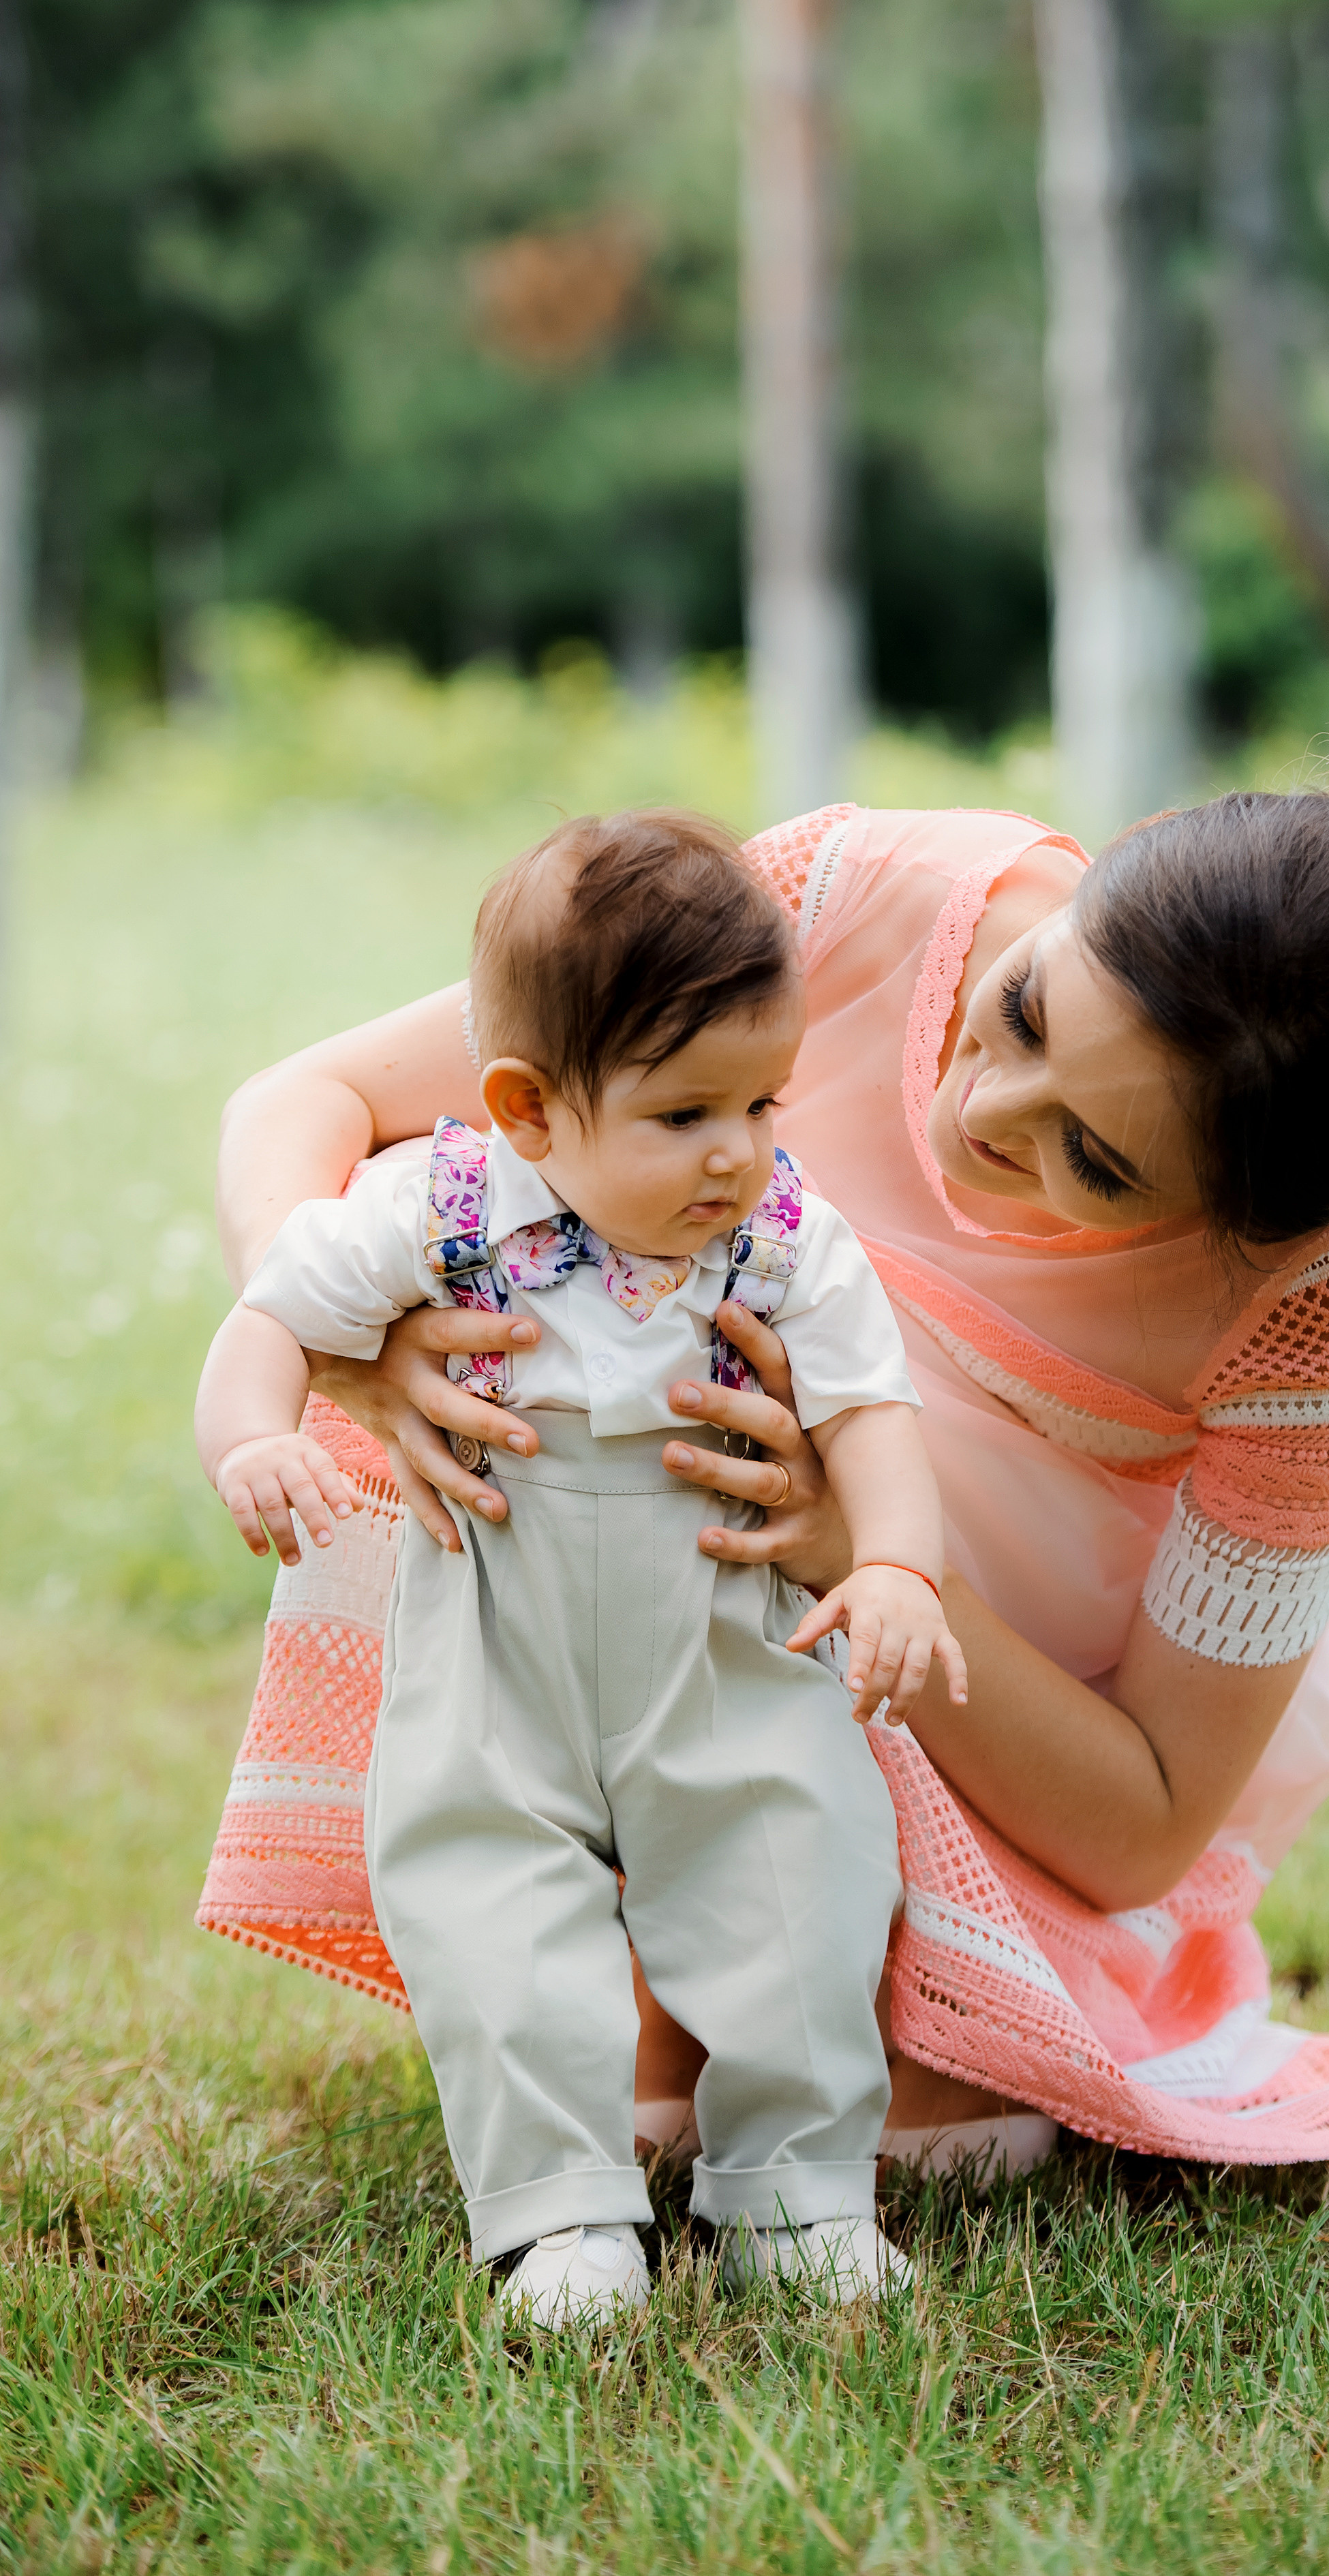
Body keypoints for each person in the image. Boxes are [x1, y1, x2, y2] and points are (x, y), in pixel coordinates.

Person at [201, 765, 1329, 2175]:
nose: (989, 1107)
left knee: (919, 2118)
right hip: (618, 1564)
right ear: (1122, 859)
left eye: (1089, 1160)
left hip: (967, 1655)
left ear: (1255, 1217)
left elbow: (1147, 1818)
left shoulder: (1322, 1292)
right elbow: (315, 1096)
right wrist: (375, 1351)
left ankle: (871, 1951)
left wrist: (861, 1548)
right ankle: (616, 1895)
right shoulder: (857, 899)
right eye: (1029, 1008)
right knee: (449, 1218)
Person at [196, 809, 969, 2326]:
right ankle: (558, 2214)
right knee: (488, 1894)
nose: (737, 1149)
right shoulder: (445, 1209)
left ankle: (797, 2196)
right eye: (685, 1115)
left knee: (797, 1867)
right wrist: (251, 1440)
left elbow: (872, 1411)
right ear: (528, 1109)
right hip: (498, 1611)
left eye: (761, 1099)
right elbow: (274, 1318)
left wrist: (898, 1571)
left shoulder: (788, 1233)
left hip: (724, 1614)